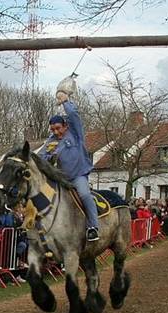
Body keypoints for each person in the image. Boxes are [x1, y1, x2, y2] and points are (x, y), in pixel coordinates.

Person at [39, 89, 98, 241]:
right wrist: (47, 158)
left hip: (78, 176)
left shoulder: (75, 133)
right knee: (40, 196)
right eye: (53, 129)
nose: (56, 132)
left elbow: (73, 115)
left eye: (58, 128)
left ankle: (93, 227)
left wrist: (65, 101)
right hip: (59, 179)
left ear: (65, 126)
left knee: (85, 195)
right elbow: (41, 158)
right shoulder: (51, 141)